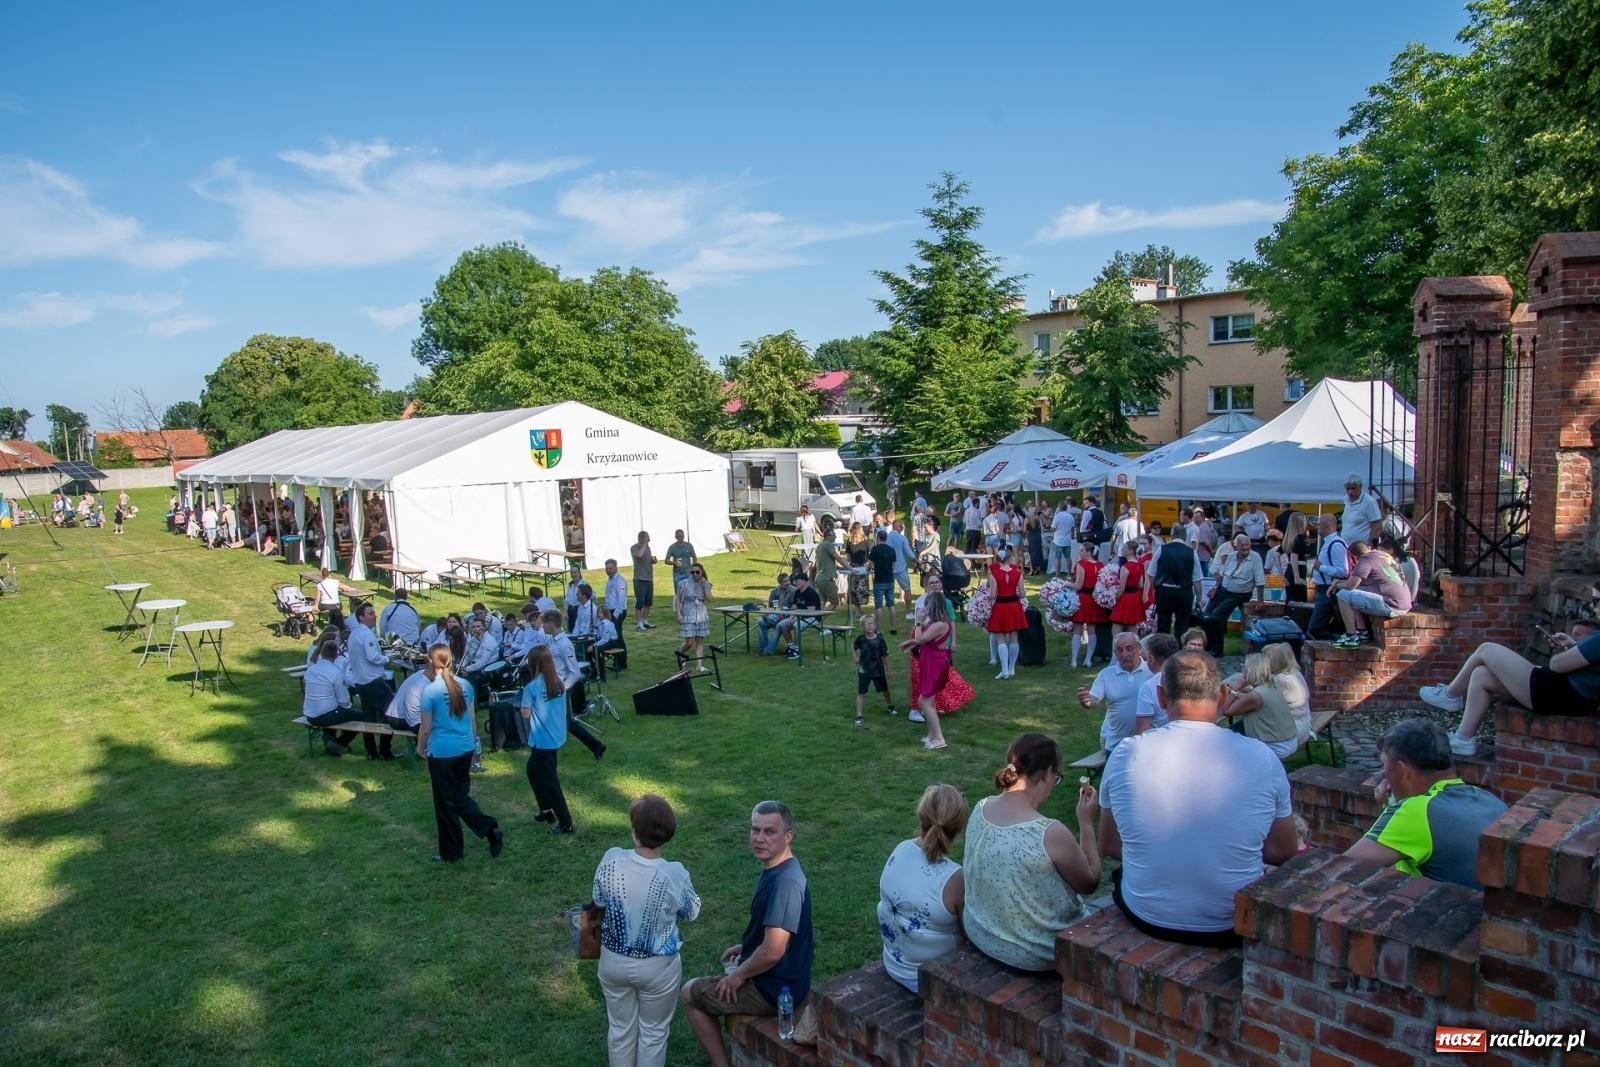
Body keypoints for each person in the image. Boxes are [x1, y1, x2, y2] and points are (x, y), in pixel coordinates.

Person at [1099, 651, 1298, 946]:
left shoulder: (1125, 755)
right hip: (1231, 919)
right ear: (1220, 696)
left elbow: (1110, 845)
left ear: (1161, 698)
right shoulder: (1262, 757)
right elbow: (1282, 850)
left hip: (1148, 913)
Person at [682, 801, 816, 1064]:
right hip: (783, 976)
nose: (759, 838)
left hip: (774, 989)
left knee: (689, 993)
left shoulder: (785, 883)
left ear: (788, 836)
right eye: (755, 830)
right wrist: (746, 947)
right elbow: (778, 934)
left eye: (769, 832)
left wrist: (738, 977)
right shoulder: (779, 868)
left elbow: (773, 951)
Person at [963, 734, 1098, 972]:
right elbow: (1090, 882)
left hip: (982, 934)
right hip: (1035, 953)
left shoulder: (981, 807)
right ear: (1047, 774)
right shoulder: (1049, 832)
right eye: (1056, 777)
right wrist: (1086, 823)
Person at [593, 795, 702, 1067]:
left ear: (634, 829)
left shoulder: (611, 860)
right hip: (658, 967)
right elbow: (691, 912)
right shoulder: (674, 873)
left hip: (613, 961)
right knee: (653, 1033)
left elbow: (597, 899)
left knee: (620, 1029)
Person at [1342, 719, 1508, 889]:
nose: (1383, 774)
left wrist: (1391, 808)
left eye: (1384, 764)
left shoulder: (1416, 811)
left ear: (1401, 770)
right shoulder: (1487, 798)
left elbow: (1342, 873)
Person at [1422, 602, 1600, 756]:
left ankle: (1450, 695)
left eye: (1596, 599)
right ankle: (1463, 739)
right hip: (1568, 694)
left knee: (1486, 649)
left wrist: (1570, 652)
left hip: (1557, 693)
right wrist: (1575, 647)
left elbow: (1557, 665)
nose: (1593, 605)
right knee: (1481, 675)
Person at [877, 783, 967, 992]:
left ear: (922, 815)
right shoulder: (955, 878)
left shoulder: (901, 850)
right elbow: (970, 935)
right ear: (959, 826)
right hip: (929, 980)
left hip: (893, 964)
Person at [416, 645, 502, 863]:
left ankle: (451, 852)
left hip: (442, 752)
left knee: (445, 803)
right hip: (464, 748)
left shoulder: (430, 691)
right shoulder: (466, 685)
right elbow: (472, 720)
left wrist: (420, 748)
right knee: (459, 797)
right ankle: (489, 828)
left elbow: (425, 728)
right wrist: (475, 746)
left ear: (429, 661)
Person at [537, 610, 608, 761]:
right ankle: (596, 746)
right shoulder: (551, 640)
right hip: (551, 686)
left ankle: (595, 746)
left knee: (562, 721)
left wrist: (561, 688)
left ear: (550, 624)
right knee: (563, 722)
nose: (542, 626)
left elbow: (575, 673)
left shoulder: (564, 644)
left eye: (544, 623)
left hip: (561, 687)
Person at [521, 645, 575, 835]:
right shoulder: (558, 682)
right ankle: (546, 811)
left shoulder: (531, 687)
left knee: (550, 782)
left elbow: (525, 714)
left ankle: (565, 822)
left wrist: (525, 706)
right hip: (555, 735)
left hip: (542, 740)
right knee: (532, 771)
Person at [1078, 632, 1154, 753]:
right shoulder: (1106, 675)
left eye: (1129, 649)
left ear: (1139, 648)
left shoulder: (1152, 671)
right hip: (1116, 745)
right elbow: (1093, 700)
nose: (1125, 654)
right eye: (1120, 650)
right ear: (1115, 653)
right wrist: (1086, 700)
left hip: (1149, 743)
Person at [1331, 539, 1413, 648]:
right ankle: (1362, 632)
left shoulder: (1365, 559)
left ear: (1354, 557)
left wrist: (1335, 585)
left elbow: (1351, 584)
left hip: (1392, 605)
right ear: (1369, 547)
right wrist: (1340, 583)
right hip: (1404, 604)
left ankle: (1351, 637)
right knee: (1354, 593)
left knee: (1342, 595)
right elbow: (1358, 586)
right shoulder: (1383, 555)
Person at [1219, 653, 1303, 759]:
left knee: (1223, 741)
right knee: (1235, 729)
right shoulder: (1271, 685)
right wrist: (1236, 693)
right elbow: (1249, 700)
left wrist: (1235, 688)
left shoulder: (1256, 696)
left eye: (1244, 666)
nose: (1242, 668)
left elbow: (1227, 710)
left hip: (1278, 746)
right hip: (1288, 739)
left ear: (1251, 670)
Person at [345, 602, 401, 760]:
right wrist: (388, 659)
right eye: (370, 613)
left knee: (368, 718)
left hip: (361, 682)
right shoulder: (366, 634)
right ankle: (385, 750)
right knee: (391, 712)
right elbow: (372, 657)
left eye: (374, 613)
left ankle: (371, 752)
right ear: (361, 617)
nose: (374, 616)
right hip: (371, 682)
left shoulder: (354, 634)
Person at [899, 593, 955, 749]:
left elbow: (920, 639)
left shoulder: (941, 624)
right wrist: (910, 640)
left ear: (934, 605)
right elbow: (920, 637)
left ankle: (939, 738)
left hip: (935, 664)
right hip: (930, 662)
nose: (925, 608)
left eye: (927, 604)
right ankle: (931, 735)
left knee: (923, 702)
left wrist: (917, 623)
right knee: (929, 701)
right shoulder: (935, 622)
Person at [1198, 534, 1265, 656]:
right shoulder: (1231, 556)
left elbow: (1260, 580)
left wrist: (1261, 600)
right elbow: (1224, 575)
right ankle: (1208, 646)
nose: (1245, 548)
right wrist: (1214, 588)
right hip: (1223, 589)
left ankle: (1217, 650)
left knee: (1215, 618)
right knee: (1206, 616)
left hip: (1239, 594)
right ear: (1236, 547)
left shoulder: (1255, 558)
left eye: (1247, 545)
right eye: (1242, 545)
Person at [302, 636, 364, 756]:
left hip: (310, 713)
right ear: (336, 655)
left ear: (322, 652)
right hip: (325, 714)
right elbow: (344, 700)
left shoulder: (310, 670)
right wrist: (348, 707)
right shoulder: (335, 672)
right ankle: (340, 742)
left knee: (333, 711)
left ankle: (329, 740)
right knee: (360, 717)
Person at [1146, 525, 1200, 636]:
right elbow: (1197, 580)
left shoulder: (1162, 549)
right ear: (1185, 536)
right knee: (1182, 624)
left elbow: (1151, 573)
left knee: (1163, 624)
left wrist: (1155, 588)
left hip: (1164, 590)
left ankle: (1162, 649)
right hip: (1184, 592)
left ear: (1172, 535)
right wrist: (1199, 599)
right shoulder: (1192, 552)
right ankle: (1180, 649)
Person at [985, 546, 1027, 679]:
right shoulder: (1018, 573)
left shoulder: (994, 574)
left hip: (1001, 606)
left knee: (1000, 637)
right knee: (1014, 637)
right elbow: (1022, 594)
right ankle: (1011, 667)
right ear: (1009, 558)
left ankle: (1004, 669)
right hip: (1014, 605)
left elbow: (992, 594)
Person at [1306, 512, 1351, 639]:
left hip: (1329, 590)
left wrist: (1321, 567)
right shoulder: (1328, 542)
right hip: (1323, 589)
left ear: (1327, 526)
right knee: (1318, 628)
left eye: (1319, 525)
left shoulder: (1336, 544)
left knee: (1315, 629)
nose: (1317, 527)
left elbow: (1343, 571)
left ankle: (1338, 642)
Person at [851, 613, 896, 726]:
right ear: (862, 627)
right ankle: (859, 715)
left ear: (875, 626)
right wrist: (855, 657)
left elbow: (885, 655)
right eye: (867, 624)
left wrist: (889, 670)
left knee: (885, 689)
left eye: (872, 624)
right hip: (864, 670)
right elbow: (853, 646)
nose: (870, 626)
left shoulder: (880, 640)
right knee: (861, 692)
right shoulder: (860, 639)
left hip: (878, 670)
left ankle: (890, 706)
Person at [1266, 640, 1313, 746]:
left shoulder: (1280, 680)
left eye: (1266, 659)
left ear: (1277, 662)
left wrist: (1235, 691)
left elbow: (1257, 697)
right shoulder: (1294, 672)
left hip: (1292, 733)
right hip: (1304, 725)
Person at [1069, 543, 1108, 668]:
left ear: (1089, 552)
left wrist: (1065, 584)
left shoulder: (1081, 564)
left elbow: (1078, 585)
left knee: (1077, 629)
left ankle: (1074, 660)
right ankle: (1088, 659)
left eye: (1082, 550)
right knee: (1092, 630)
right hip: (1095, 599)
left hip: (1083, 598)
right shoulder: (1101, 565)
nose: (1080, 553)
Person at [1134, 633, 1179, 734]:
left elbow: (1141, 732)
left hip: (1159, 744)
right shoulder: (1191, 677)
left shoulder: (1149, 687)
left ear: (1151, 659)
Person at [674, 564, 712, 674]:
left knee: (699, 640)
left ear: (702, 572)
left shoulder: (705, 584)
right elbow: (678, 599)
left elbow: (709, 599)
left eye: (697, 572)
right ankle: (681, 654)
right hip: (688, 612)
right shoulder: (684, 583)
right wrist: (678, 615)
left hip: (701, 613)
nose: (695, 574)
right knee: (689, 642)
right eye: (692, 572)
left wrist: (705, 585)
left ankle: (699, 666)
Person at [1109, 541, 1146, 635]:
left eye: (1124, 548)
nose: (1122, 549)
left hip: (1125, 598)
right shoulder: (1140, 565)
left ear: (1130, 551)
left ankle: (1115, 648)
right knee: (1132, 627)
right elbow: (1141, 585)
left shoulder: (1125, 567)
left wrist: (1113, 600)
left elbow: (1121, 588)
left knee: (1116, 628)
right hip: (1135, 597)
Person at [756, 572, 796, 657]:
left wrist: (785, 615)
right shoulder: (774, 592)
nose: (787, 583)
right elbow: (768, 605)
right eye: (785, 581)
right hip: (775, 614)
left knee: (778, 624)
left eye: (788, 580)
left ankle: (768, 651)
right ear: (780, 583)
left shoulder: (794, 591)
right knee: (760, 621)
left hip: (787, 616)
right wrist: (765, 612)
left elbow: (794, 606)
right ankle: (763, 649)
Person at [867, 529, 899, 634]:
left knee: (878, 606)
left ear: (878, 538)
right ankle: (893, 628)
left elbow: (870, 565)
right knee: (891, 605)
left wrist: (869, 569)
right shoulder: (892, 550)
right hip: (889, 579)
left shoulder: (875, 549)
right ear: (886, 538)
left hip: (879, 580)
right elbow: (894, 565)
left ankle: (879, 630)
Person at [1340, 473, 1383, 544]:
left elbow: (1377, 525)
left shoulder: (1369, 502)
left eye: (1353, 488)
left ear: (1360, 486)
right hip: (1347, 547)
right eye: (1348, 489)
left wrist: (1372, 545)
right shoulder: (1346, 500)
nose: (1350, 492)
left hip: (1362, 548)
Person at [631, 532, 657, 630]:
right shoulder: (634, 547)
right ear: (641, 538)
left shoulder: (648, 548)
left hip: (649, 578)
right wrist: (644, 543)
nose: (649, 539)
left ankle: (645, 620)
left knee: (648, 602)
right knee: (640, 602)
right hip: (639, 579)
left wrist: (652, 561)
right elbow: (639, 555)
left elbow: (645, 558)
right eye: (647, 537)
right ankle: (639, 622)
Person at [1283, 512, 1312, 604]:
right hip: (1297, 570)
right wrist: (1297, 576)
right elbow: (1294, 556)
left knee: (1291, 599)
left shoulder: (1289, 538)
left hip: (1290, 570)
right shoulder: (1299, 537)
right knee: (1299, 600)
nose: (1306, 522)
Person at [1189, 506, 1217, 576]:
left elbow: (1205, 543)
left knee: (1202, 576)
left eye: (1197, 517)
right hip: (1203, 557)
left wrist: (1211, 552)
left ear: (1202, 518)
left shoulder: (1201, 528)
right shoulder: (1203, 526)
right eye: (1194, 517)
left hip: (1202, 558)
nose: (1194, 519)